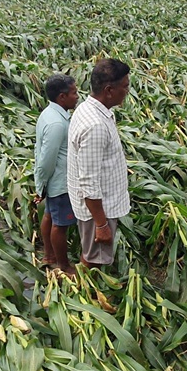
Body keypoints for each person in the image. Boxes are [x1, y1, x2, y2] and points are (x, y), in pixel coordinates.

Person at [67, 58, 131, 268]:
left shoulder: (89, 109)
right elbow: (89, 183)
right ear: (109, 90)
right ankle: (86, 295)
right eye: (125, 86)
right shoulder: (94, 126)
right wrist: (101, 224)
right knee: (94, 260)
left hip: (101, 206)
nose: (127, 91)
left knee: (93, 254)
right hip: (99, 210)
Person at [33, 73, 80, 277]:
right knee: (60, 225)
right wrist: (41, 185)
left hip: (53, 181)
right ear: (62, 97)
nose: (77, 96)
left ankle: (49, 255)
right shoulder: (57, 124)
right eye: (74, 92)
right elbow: (47, 160)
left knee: (50, 216)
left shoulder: (49, 114)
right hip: (60, 182)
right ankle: (63, 265)